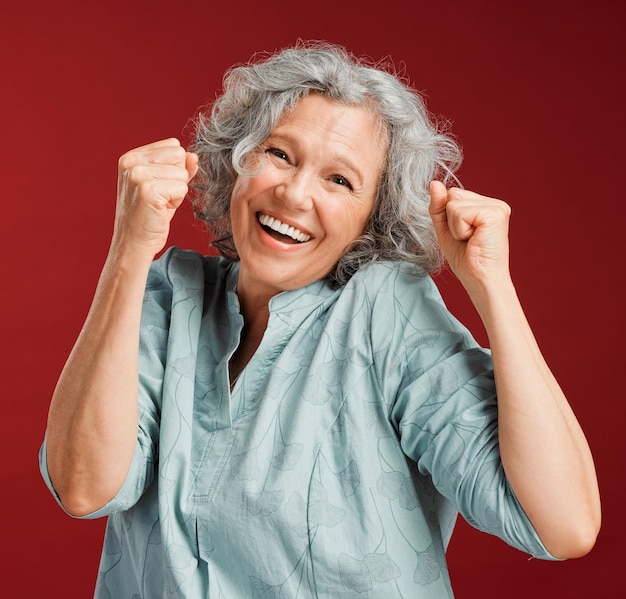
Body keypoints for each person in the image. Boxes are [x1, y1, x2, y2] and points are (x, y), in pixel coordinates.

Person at [39, 42, 601, 598]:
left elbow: (562, 526)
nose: (294, 193)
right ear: (237, 159)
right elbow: (85, 487)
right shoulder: (169, 292)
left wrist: (493, 287)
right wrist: (129, 252)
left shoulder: (387, 312)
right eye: (279, 154)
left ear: (370, 220)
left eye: (340, 181)